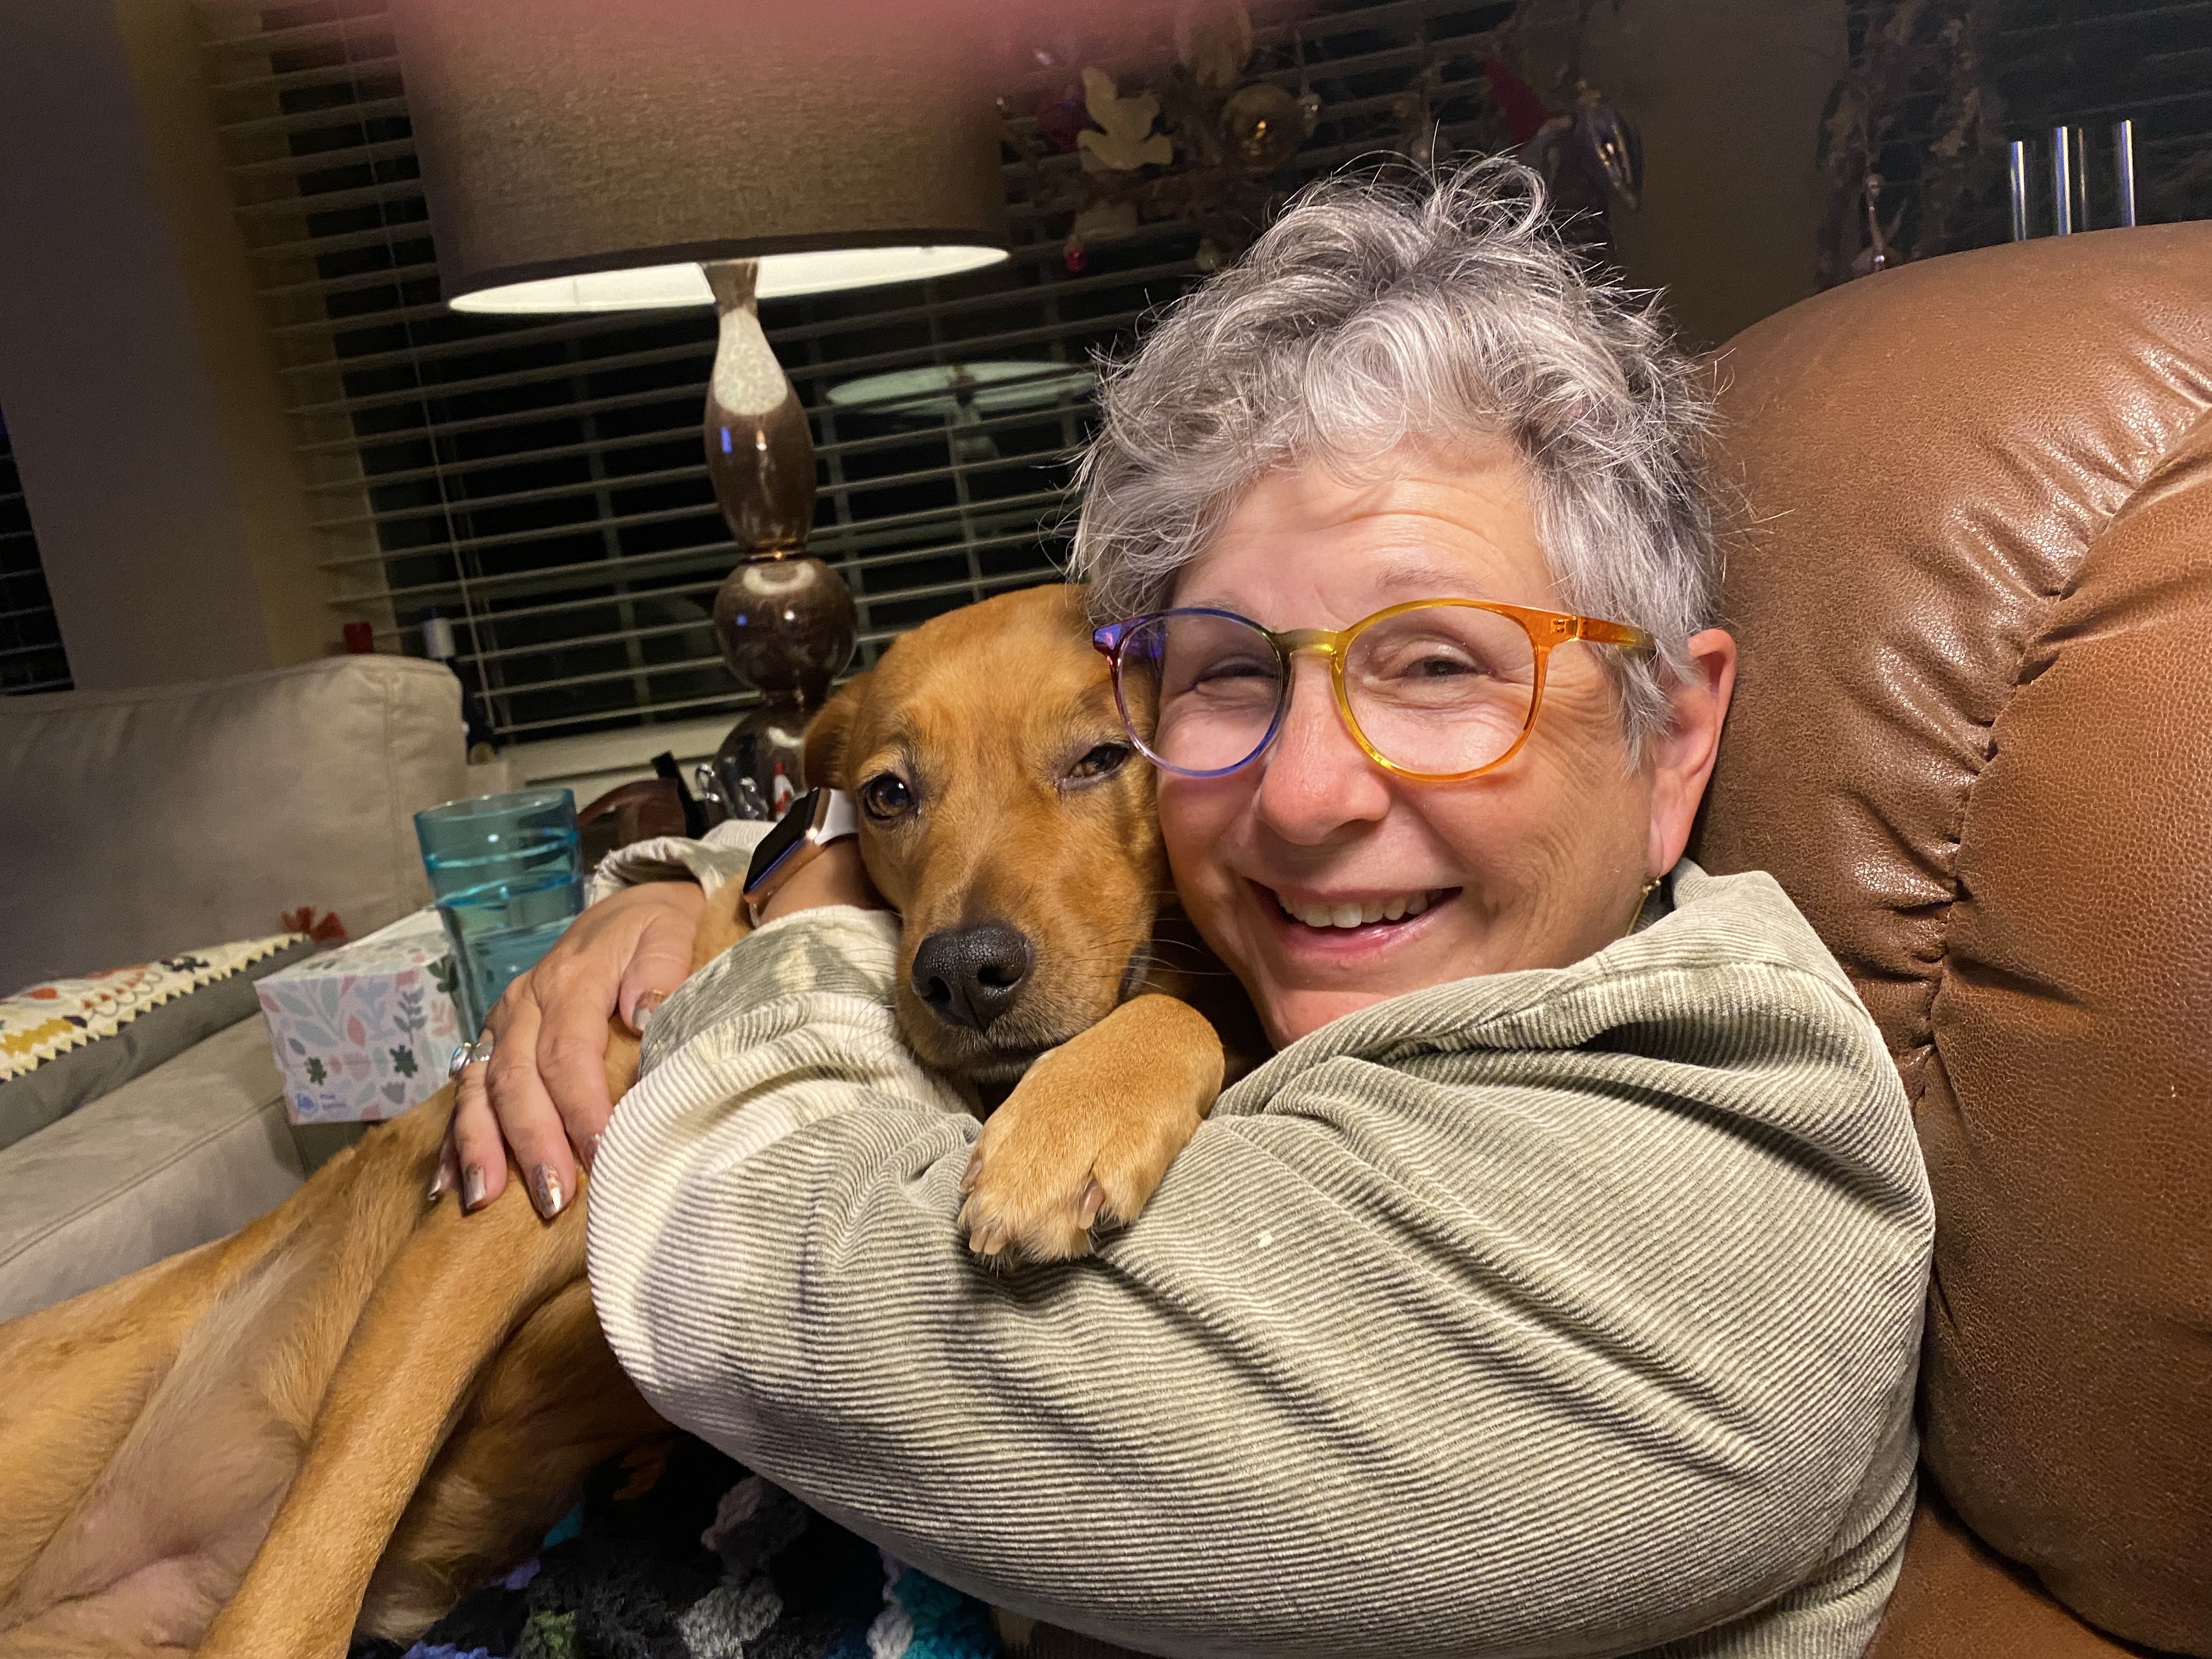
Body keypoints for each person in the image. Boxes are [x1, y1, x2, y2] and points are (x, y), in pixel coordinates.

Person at [447, 162, 1934, 1657]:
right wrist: (687, 885)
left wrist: (796, 916)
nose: (1302, 793)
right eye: (1231, 675)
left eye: (1437, 664)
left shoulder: (1724, 1197)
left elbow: (763, 1282)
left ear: (1671, 737)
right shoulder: (1389, 982)